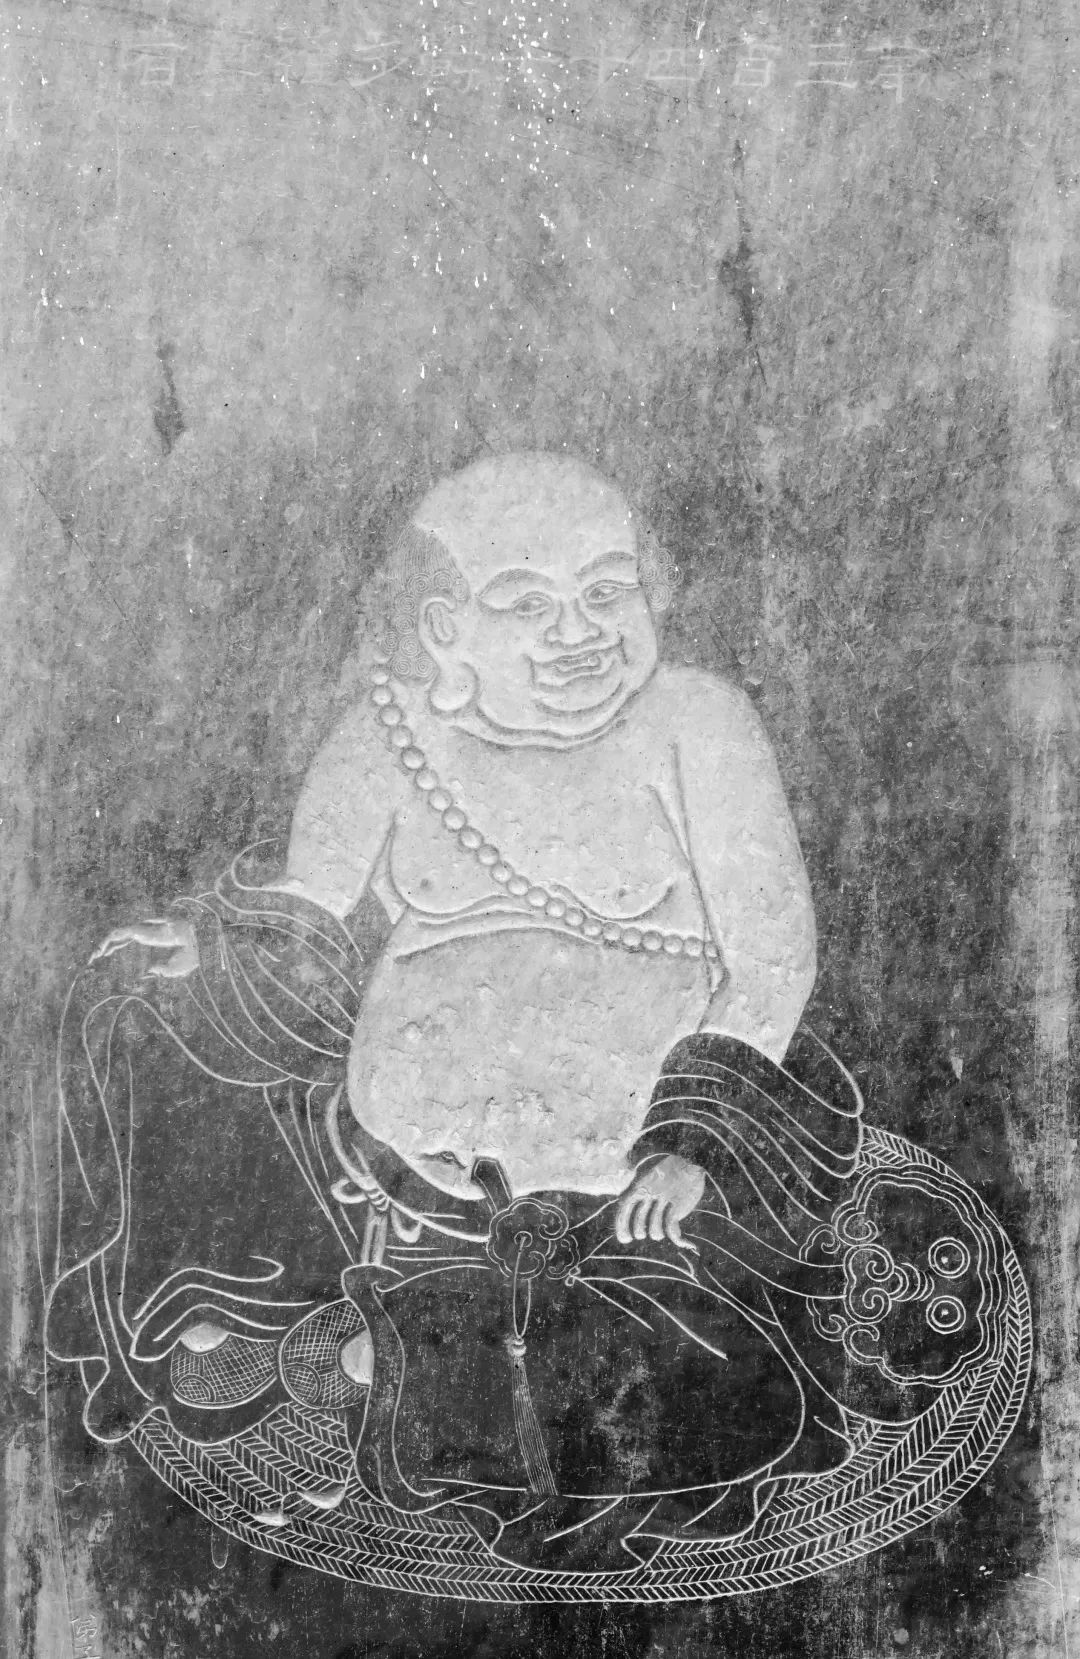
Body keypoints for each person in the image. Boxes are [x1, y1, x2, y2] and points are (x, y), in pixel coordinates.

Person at [58, 454, 876, 1564]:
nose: (580, 632)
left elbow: (773, 957)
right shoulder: (387, 732)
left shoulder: (698, 722)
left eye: (607, 590)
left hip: (632, 1169)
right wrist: (207, 944)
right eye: (527, 604)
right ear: (444, 630)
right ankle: (290, 1321)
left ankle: (415, 1371)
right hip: (399, 1149)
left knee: (683, 1378)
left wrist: (689, 1142)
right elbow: (307, 919)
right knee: (151, 1019)